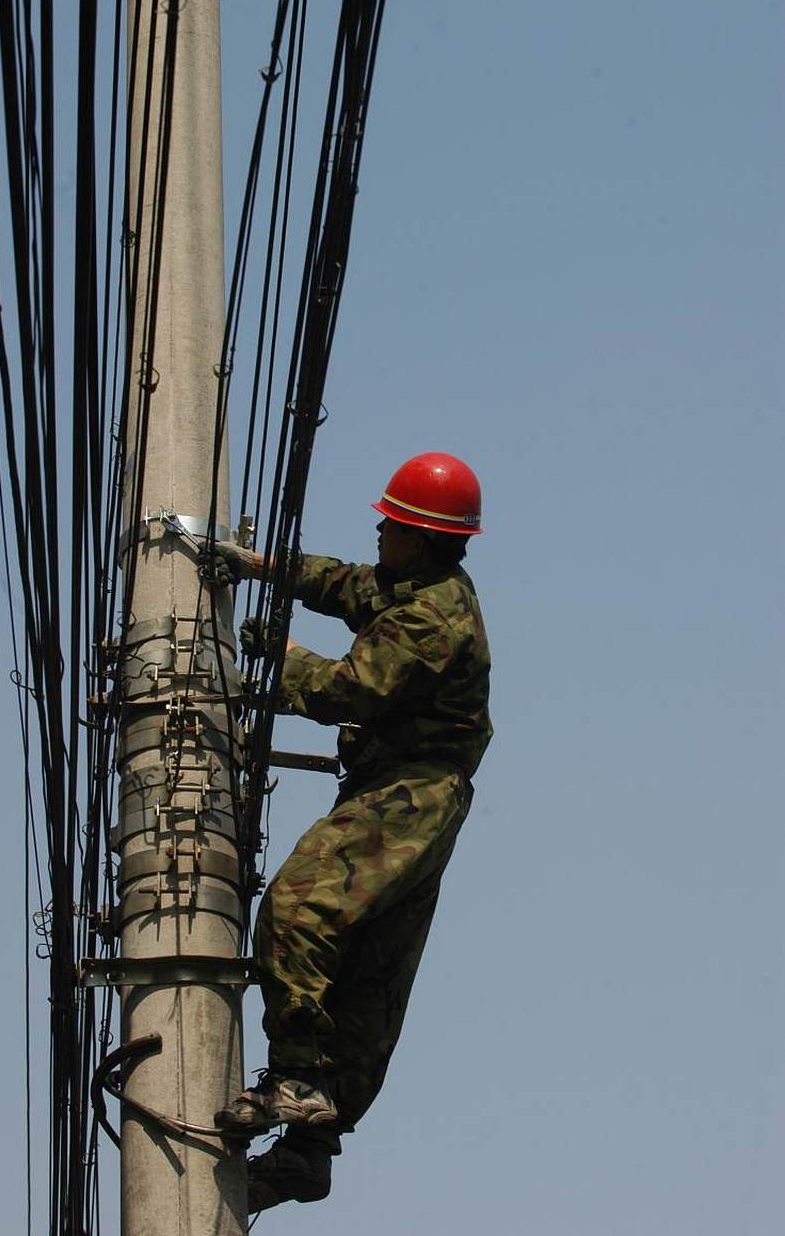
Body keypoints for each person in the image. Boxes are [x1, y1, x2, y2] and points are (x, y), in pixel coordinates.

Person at [211, 452, 492, 1211]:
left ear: (422, 539)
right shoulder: (413, 587)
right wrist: (266, 567)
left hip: (409, 793)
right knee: (368, 975)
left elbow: (350, 691)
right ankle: (308, 1152)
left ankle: (299, 1079)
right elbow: (345, 586)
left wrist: (275, 658)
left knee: (301, 907)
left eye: (393, 523)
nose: (379, 528)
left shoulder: (433, 615)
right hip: (410, 792)